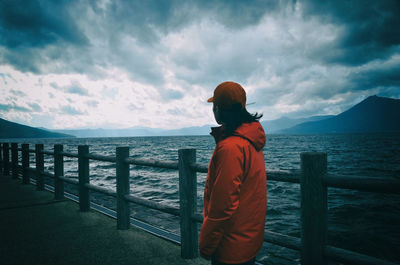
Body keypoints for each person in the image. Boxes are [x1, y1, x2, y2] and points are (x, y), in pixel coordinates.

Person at [199, 81, 267, 265]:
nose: (213, 110)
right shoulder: (251, 141)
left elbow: (223, 206)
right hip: (248, 241)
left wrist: (205, 244)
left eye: (214, 106)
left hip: (229, 247)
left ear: (218, 109)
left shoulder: (230, 147)